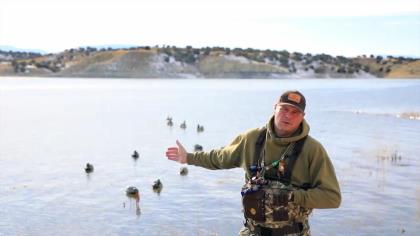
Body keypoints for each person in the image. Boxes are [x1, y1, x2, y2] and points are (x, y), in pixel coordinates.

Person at [165, 90, 341, 236]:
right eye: (284, 109)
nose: (288, 115)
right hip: (252, 232)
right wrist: (188, 157)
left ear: (302, 116)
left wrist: (292, 196)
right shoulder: (252, 139)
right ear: (275, 109)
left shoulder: (313, 149)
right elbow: (220, 157)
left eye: (295, 112)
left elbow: (332, 198)